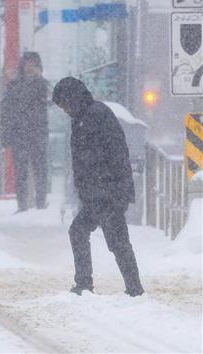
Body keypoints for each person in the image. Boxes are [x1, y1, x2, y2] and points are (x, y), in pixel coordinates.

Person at [51, 77, 144, 297]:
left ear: (72, 98)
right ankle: (91, 284)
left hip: (107, 192)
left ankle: (132, 289)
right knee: (86, 233)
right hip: (98, 193)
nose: (64, 110)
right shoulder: (83, 116)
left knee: (116, 241)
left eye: (63, 104)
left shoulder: (94, 115)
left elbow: (111, 154)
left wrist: (112, 190)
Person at [0, 51, 51, 212]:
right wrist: (6, 135)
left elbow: (52, 99)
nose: (30, 67)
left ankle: (41, 203)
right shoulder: (14, 85)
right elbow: (6, 110)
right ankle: (22, 205)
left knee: (40, 170)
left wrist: (41, 79)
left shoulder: (42, 84)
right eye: (28, 63)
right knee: (21, 172)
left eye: (33, 63)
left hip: (37, 134)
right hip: (20, 135)